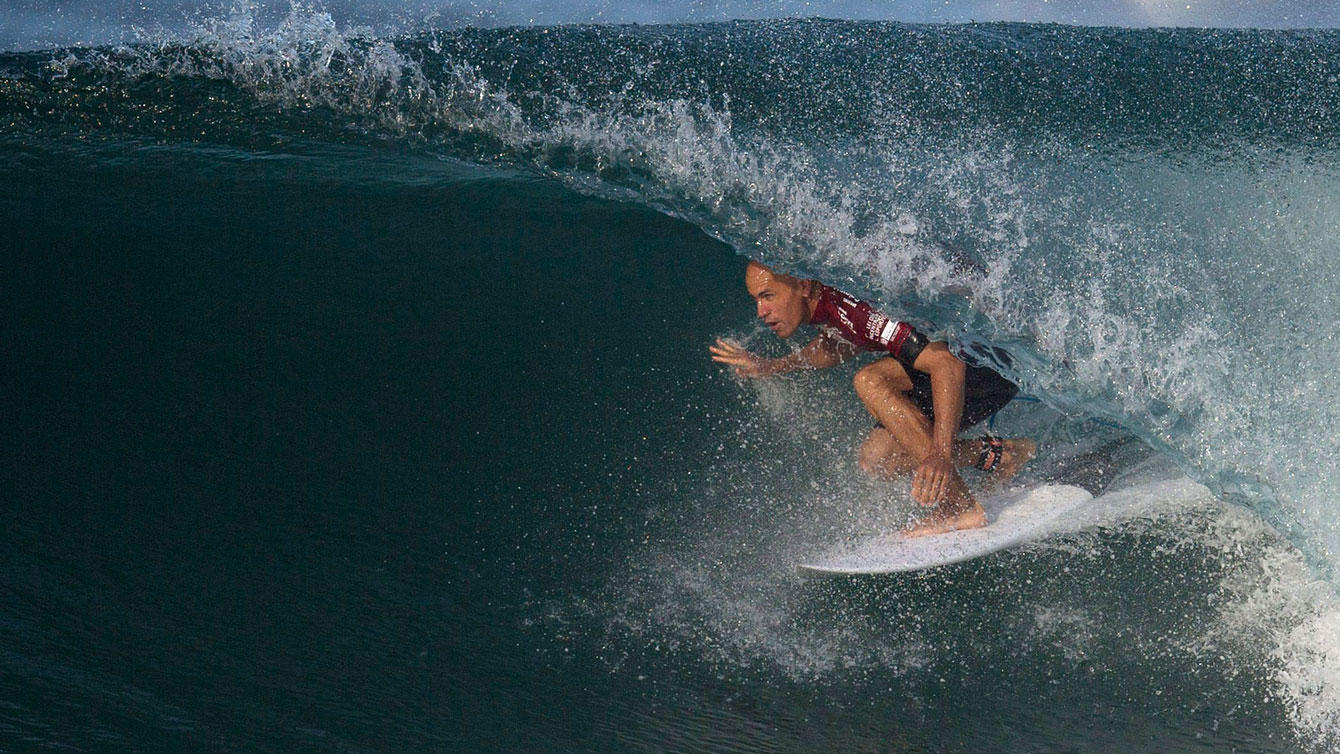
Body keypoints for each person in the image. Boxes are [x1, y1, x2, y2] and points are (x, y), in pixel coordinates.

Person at [709, 261, 1036, 537]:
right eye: (756, 299)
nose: (761, 311)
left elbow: (945, 363)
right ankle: (1000, 456)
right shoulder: (830, 306)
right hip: (966, 367)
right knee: (878, 461)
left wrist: (940, 453)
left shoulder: (853, 307)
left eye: (768, 296)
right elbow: (837, 344)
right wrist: (771, 367)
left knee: (870, 380)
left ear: (804, 286)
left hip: (988, 365)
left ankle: (960, 506)